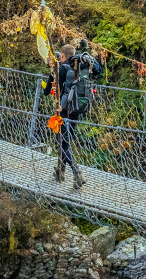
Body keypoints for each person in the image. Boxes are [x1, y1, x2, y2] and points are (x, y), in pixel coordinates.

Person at [42, 41, 102, 188]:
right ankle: (60, 171)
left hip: (63, 109)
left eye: (60, 56)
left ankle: (77, 174)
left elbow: (47, 89)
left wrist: (53, 72)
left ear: (62, 55)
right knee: (64, 141)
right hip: (77, 108)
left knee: (63, 142)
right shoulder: (80, 67)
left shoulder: (61, 68)